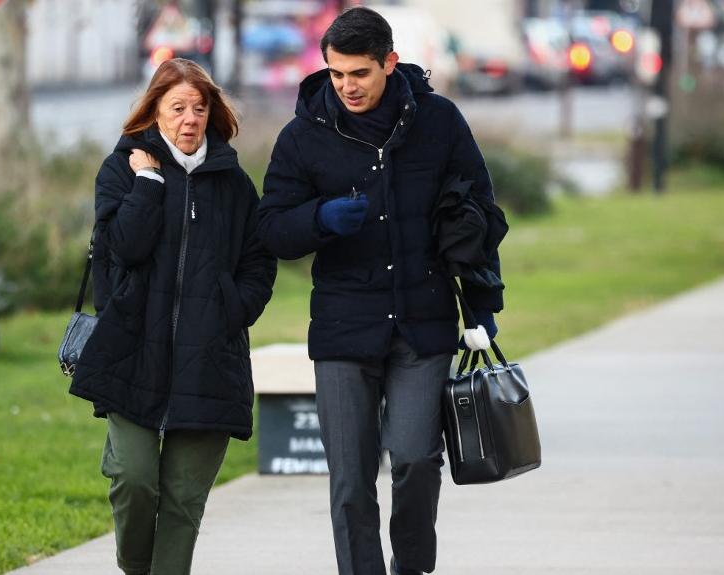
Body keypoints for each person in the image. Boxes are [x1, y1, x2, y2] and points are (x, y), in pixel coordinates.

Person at [257, 7, 504, 575]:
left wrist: (483, 305)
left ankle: (411, 568)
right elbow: (270, 228)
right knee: (350, 479)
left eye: (360, 73)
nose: (347, 86)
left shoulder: (439, 122)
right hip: (345, 329)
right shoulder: (303, 137)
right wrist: (320, 218)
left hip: (423, 322)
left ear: (389, 63)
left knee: (417, 460)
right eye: (337, 73)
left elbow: (482, 215)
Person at [70, 58, 276, 575]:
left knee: (183, 503)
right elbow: (123, 247)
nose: (190, 119)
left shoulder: (232, 183)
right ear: (154, 112)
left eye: (199, 108)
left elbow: (258, 259)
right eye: (178, 108)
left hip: (210, 357)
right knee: (134, 479)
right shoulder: (123, 169)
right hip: (131, 350)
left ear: (212, 114)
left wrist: (235, 308)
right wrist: (148, 184)